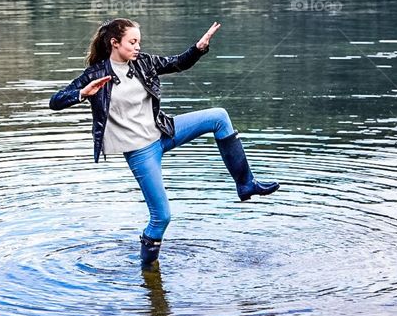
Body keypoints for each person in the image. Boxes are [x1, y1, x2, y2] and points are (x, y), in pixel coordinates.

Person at [48, 18, 279, 267]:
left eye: (139, 42)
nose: (137, 47)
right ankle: (147, 268)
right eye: (132, 42)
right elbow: (56, 101)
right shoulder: (95, 74)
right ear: (115, 43)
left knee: (219, 117)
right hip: (140, 152)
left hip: (163, 132)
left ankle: (246, 184)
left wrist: (199, 48)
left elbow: (177, 63)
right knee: (161, 217)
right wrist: (82, 94)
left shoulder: (143, 62)